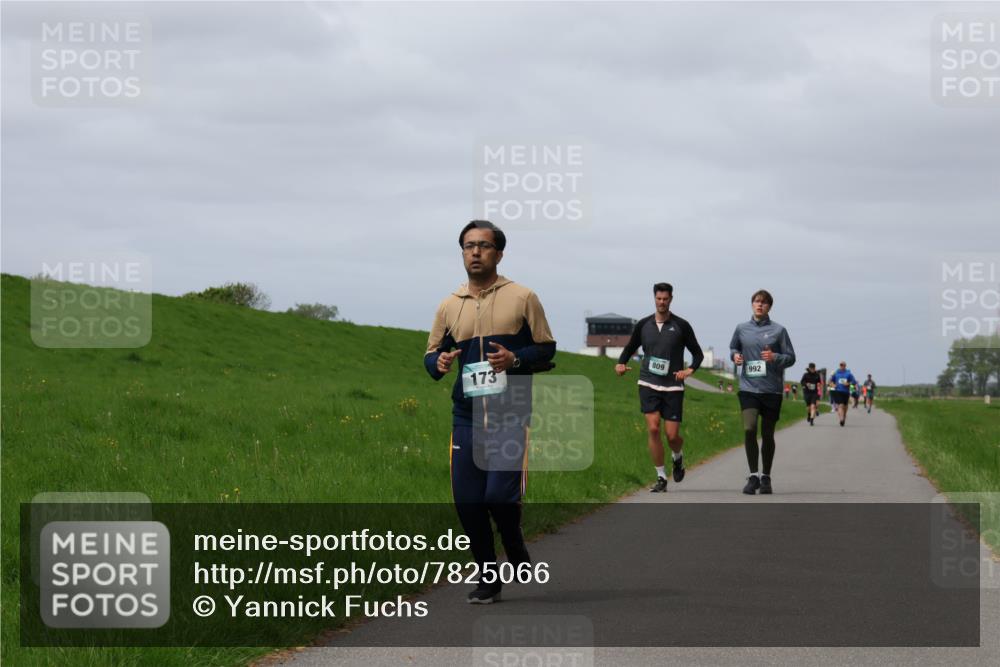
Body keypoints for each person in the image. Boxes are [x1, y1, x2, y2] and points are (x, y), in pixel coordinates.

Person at [424, 220, 556, 604]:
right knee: (468, 503)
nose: (475, 252)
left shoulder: (523, 297)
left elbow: (547, 350)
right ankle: (488, 577)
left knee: (499, 496)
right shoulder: (449, 305)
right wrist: (440, 362)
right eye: (468, 246)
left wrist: (515, 358)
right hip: (466, 415)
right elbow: (430, 357)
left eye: (483, 245)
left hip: (510, 411)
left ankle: (514, 543)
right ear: (462, 252)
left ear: (499, 253)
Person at [615, 283, 704, 492]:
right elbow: (630, 347)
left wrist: (690, 370)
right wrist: (620, 363)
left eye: (665, 299)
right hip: (648, 382)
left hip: (673, 385)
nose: (662, 302)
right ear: (654, 299)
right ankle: (661, 477)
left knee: (672, 436)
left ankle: (678, 457)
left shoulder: (682, 325)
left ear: (671, 299)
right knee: (653, 428)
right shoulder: (644, 324)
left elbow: (697, 353)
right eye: (658, 299)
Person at [730, 289, 796, 495]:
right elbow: (733, 348)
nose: (759, 305)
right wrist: (735, 357)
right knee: (749, 429)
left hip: (772, 390)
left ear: (769, 307)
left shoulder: (779, 330)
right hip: (749, 388)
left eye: (764, 303)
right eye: (756, 302)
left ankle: (766, 476)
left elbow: (791, 357)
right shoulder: (741, 329)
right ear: (752, 305)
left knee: (767, 434)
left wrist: (775, 357)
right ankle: (753, 476)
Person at [828, 362, 858, 427]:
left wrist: (848, 383)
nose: (842, 366)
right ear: (839, 366)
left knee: (845, 407)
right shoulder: (836, 373)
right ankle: (841, 419)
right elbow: (830, 382)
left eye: (843, 365)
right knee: (840, 405)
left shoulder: (849, 374)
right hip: (838, 391)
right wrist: (833, 385)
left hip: (846, 392)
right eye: (840, 365)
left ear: (845, 366)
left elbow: (854, 382)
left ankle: (843, 417)